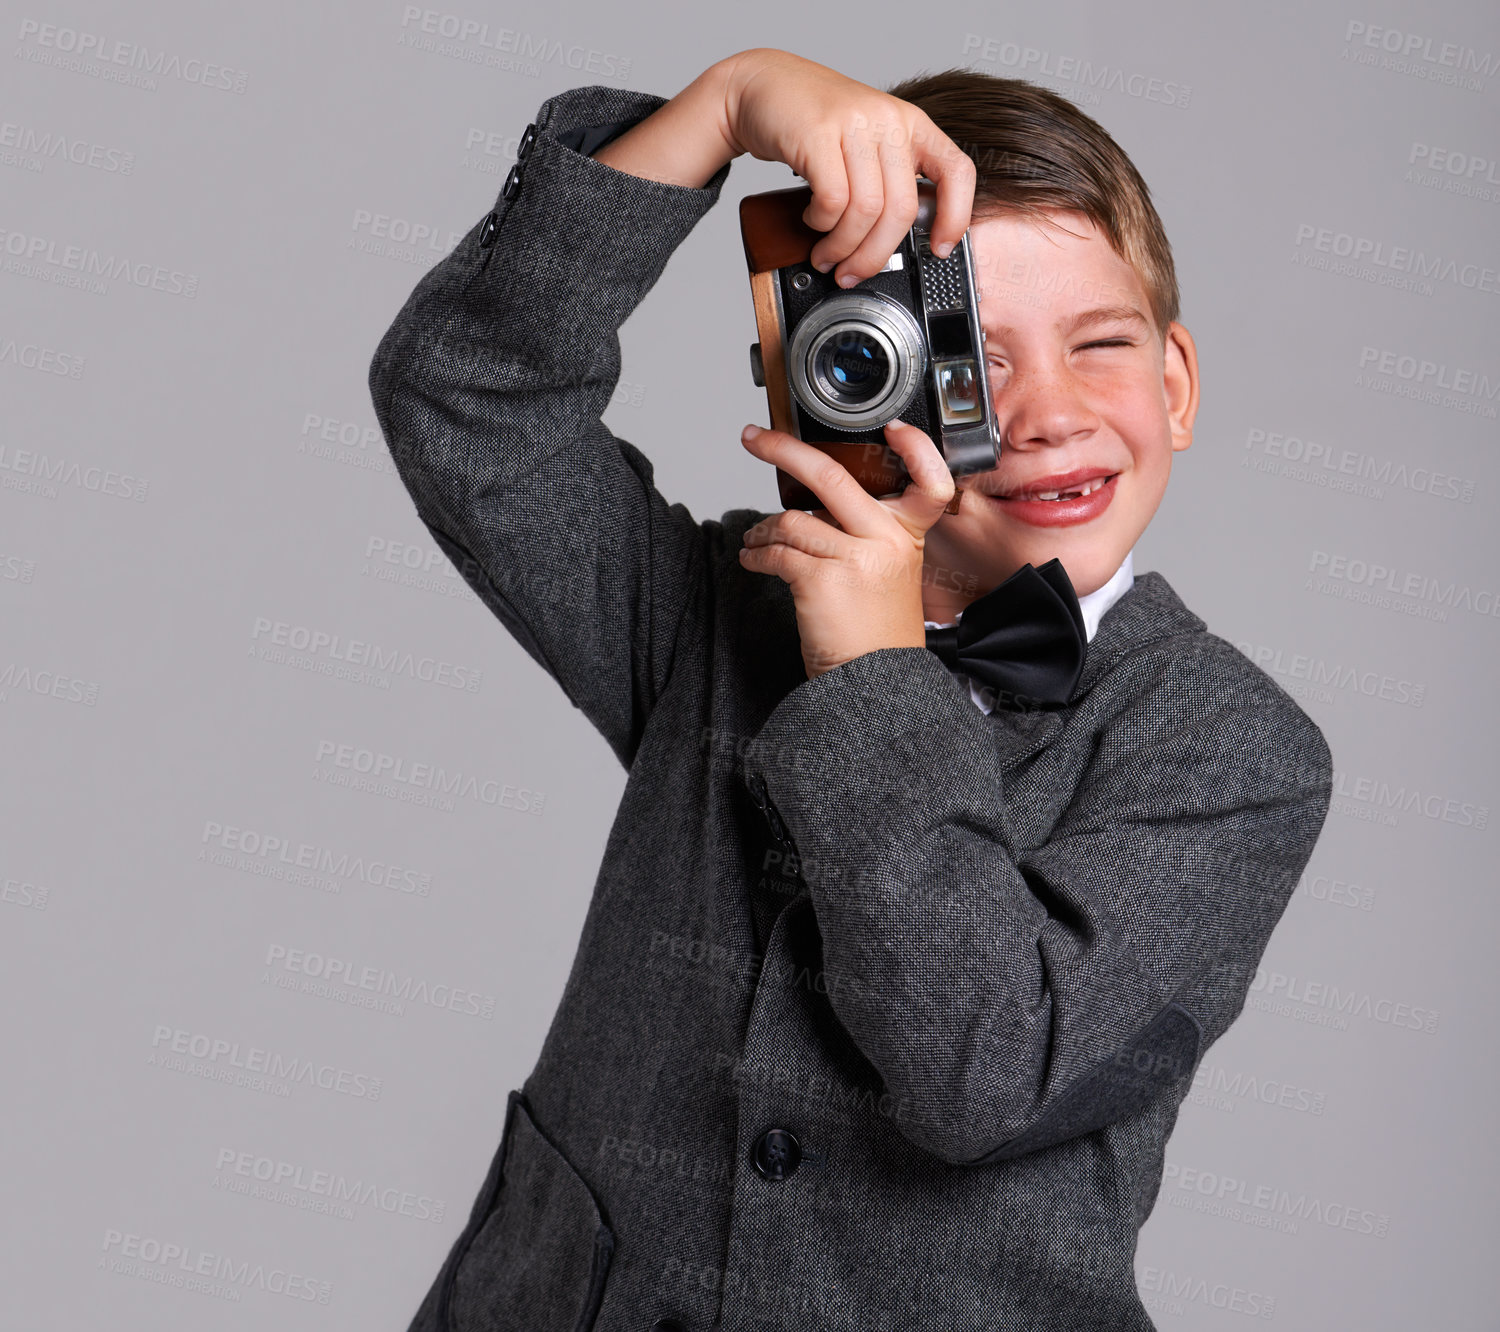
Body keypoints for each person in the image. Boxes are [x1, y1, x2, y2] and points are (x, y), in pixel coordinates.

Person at [367, 46, 1334, 1332]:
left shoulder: (1235, 750)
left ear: (1177, 385)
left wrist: (874, 672)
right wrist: (723, 108)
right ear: (847, 376)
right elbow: (466, 397)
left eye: (1099, 346)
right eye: (969, 360)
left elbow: (984, 1075)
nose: (1047, 414)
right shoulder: (720, 614)